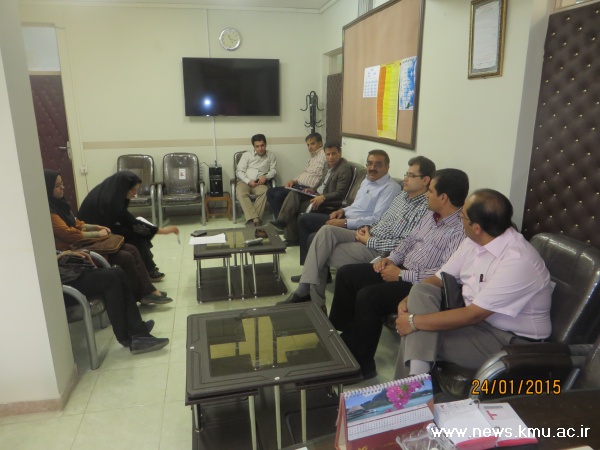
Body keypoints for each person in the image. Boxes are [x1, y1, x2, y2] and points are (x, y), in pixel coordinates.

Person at [394, 189, 552, 380]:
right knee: (421, 290)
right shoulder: (474, 241)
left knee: (418, 334)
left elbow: (474, 314)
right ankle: (414, 386)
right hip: (477, 325)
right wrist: (408, 300)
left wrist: (413, 321)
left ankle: (410, 390)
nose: (459, 219)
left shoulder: (517, 261)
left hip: (509, 341)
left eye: (462, 216)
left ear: (476, 227)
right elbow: (438, 278)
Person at [329, 169, 469, 379]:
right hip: (401, 268)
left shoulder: (459, 231)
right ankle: (345, 337)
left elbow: (444, 274)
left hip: (421, 285)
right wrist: (391, 260)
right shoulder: (430, 215)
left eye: (430, 191)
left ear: (443, 197)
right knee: (347, 274)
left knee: (369, 296)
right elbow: (408, 241)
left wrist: (401, 275)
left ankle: (363, 365)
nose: (426, 195)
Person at [278, 149, 404, 305]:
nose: (372, 167)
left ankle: (309, 292)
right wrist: (343, 211)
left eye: (378, 164)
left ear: (387, 167)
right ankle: (311, 293)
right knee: (320, 232)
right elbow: (356, 206)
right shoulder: (366, 180)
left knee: (317, 242)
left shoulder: (390, 188)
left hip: (363, 229)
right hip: (348, 218)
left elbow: (376, 219)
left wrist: (345, 222)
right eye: (370, 163)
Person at [290, 156, 435, 281]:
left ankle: (309, 291)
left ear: (425, 180)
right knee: (326, 231)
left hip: (378, 248)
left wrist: (369, 239)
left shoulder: (424, 208)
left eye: (411, 176)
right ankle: (307, 287)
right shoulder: (401, 196)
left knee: (321, 251)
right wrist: (368, 228)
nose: (405, 179)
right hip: (367, 232)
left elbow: (405, 244)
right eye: (406, 174)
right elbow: (381, 219)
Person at [44, 169, 172, 305]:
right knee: (127, 255)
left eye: (62, 184)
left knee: (132, 249)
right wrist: (96, 233)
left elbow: (77, 223)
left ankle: (147, 290)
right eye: (57, 186)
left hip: (86, 241)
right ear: (47, 188)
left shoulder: (62, 205)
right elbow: (68, 234)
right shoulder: (51, 212)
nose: (62, 188)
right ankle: (142, 293)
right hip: (75, 249)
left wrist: (96, 227)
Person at [57, 250, 170, 354]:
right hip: (58, 290)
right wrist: (61, 255)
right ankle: (132, 335)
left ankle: (135, 330)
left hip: (63, 278)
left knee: (118, 272)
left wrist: (66, 253)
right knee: (111, 277)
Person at [78, 171, 179, 281]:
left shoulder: (111, 192)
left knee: (138, 234)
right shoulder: (110, 200)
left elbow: (125, 220)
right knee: (137, 236)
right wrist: (162, 231)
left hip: (104, 227)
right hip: (93, 235)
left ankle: (148, 268)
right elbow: (130, 222)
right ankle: (148, 270)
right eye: (133, 190)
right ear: (124, 188)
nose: (135, 194)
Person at [269, 141, 352, 244]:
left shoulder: (344, 169)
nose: (331, 157)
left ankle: (289, 233)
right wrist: (313, 189)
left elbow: (340, 193)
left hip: (327, 202)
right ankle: (283, 223)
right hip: (317, 195)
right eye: (328, 154)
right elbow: (322, 182)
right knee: (293, 194)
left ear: (340, 153)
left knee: (293, 206)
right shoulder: (327, 165)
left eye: (333, 153)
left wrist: (323, 197)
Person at [266, 132, 326, 218]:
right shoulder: (312, 156)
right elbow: (305, 172)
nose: (310, 147)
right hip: (298, 185)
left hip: (307, 189)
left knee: (278, 194)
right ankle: (280, 219)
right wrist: (293, 180)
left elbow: (324, 177)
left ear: (320, 143)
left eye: (312, 144)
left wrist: (314, 189)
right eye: (308, 145)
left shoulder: (324, 156)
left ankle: (283, 221)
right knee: (270, 191)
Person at [235, 133, 277, 226]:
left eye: (262, 145)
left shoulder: (271, 156)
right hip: (245, 182)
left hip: (260, 183)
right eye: (257, 146)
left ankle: (252, 220)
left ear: (266, 144)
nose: (260, 148)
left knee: (265, 191)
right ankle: (256, 219)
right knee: (240, 193)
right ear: (253, 146)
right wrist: (248, 181)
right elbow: (239, 171)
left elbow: (273, 170)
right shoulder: (247, 155)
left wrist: (266, 177)